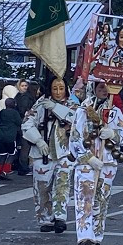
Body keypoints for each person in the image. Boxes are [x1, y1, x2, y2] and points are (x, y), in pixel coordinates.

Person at [72, 81, 123, 245]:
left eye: (106, 88)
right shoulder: (82, 111)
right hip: (87, 163)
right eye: (100, 88)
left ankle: (97, 237)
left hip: (108, 162)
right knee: (85, 199)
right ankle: (84, 237)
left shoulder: (115, 112)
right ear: (93, 89)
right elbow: (74, 138)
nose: (104, 91)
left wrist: (113, 134)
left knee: (102, 200)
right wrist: (88, 157)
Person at [23, 77, 78, 234]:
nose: (58, 92)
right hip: (43, 153)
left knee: (62, 185)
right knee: (42, 187)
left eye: (61, 88)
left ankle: (60, 217)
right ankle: (46, 218)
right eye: (55, 88)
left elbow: (77, 120)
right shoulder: (41, 103)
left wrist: (55, 107)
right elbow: (27, 123)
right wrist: (38, 140)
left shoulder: (72, 103)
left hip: (65, 152)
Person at [0, 100, 22, 180]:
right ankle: (5, 171)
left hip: (2, 136)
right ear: (14, 104)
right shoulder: (14, 113)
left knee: (2, 155)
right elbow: (19, 122)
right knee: (12, 154)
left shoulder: (2, 112)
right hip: (11, 136)